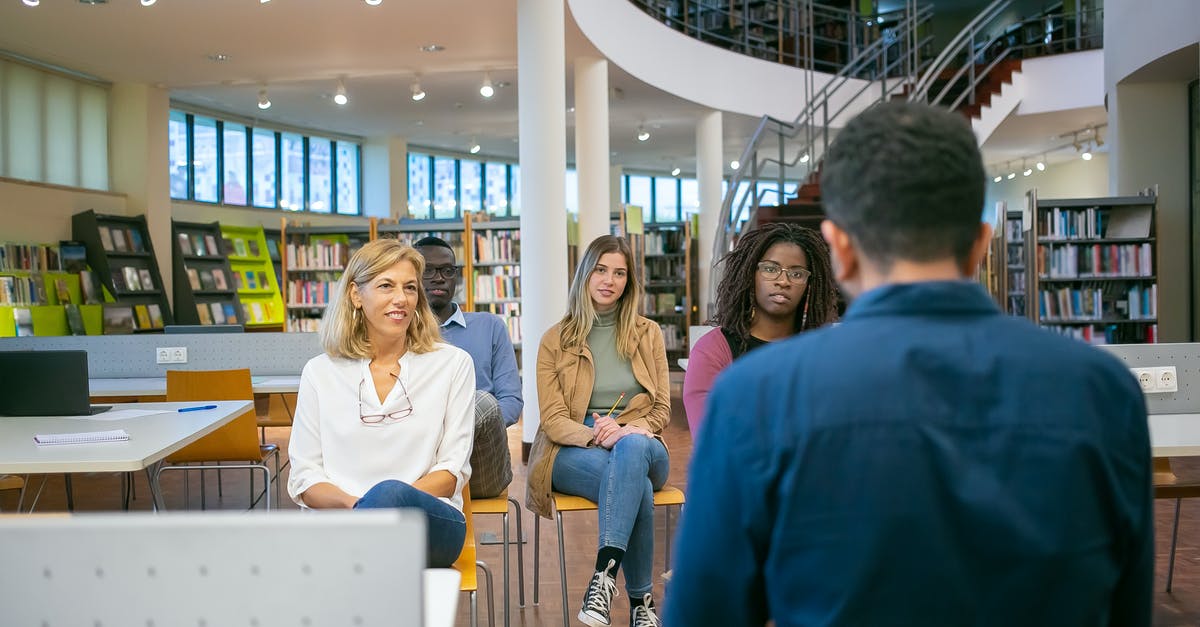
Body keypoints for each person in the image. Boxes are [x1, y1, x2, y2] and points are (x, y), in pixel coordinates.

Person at [668, 101, 1152, 626]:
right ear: (981, 245)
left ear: (841, 251)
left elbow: (704, 613)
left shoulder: (755, 397)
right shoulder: (1104, 391)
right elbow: (1127, 608)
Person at [287, 238, 476, 568]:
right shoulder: (319, 372)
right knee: (375, 527)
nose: (401, 299)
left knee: (389, 494)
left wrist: (388, 505)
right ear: (356, 295)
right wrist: (361, 508)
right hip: (344, 523)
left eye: (410, 288)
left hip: (429, 523)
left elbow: (451, 472)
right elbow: (305, 479)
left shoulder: (453, 364)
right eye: (386, 285)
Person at [527, 234, 671, 627]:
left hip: (643, 442)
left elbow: (662, 409)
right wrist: (596, 435)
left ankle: (602, 578)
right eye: (601, 270)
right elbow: (553, 419)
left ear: (629, 281)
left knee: (632, 452)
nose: (609, 280)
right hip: (574, 448)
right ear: (585, 275)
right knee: (635, 485)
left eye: (620, 273)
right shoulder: (555, 340)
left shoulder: (647, 333)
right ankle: (641, 604)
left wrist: (626, 429)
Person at [682, 222, 837, 434]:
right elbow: (710, 438)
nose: (783, 281)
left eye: (797, 273)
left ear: (809, 284)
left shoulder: (823, 352)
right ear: (749, 274)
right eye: (770, 269)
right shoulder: (713, 350)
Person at [414, 236, 523, 499]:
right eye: (428, 270)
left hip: (480, 461)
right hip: (418, 461)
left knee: (483, 402)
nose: (439, 278)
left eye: (447, 270)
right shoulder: (398, 333)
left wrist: (455, 429)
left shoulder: (490, 326)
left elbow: (511, 401)